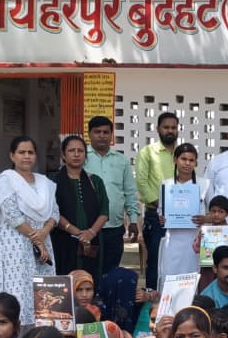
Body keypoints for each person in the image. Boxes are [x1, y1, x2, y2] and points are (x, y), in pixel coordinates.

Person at [0, 135, 58, 327]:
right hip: (16, 246)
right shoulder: (6, 181)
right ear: (12, 155)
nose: (26, 156)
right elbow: (13, 216)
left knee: (41, 291)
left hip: (42, 243)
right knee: (18, 288)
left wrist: (44, 233)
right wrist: (39, 241)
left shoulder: (44, 182)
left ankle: (39, 333)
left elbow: (54, 213)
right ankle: (16, 332)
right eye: (21, 152)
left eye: (30, 152)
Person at [83, 116, 140, 274]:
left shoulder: (121, 160)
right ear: (89, 134)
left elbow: (129, 192)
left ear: (111, 135)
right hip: (88, 228)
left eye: (106, 132)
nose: (102, 136)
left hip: (114, 227)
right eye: (97, 132)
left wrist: (133, 220)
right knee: (89, 272)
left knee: (111, 271)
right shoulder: (82, 158)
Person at [51, 133, 110, 276]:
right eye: (71, 150)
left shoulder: (95, 181)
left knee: (90, 279)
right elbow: (52, 211)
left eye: (80, 151)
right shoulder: (52, 182)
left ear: (85, 155)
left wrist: (90, 233)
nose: (76, 154)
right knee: (65, 279)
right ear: (63, 155)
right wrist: (75, 232)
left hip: (91, 241)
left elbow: (104, 211)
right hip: (63, 241)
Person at [136, 111, 180, 287]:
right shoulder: (147, 152)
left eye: (173, 127)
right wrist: (162, 206)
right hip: (156, 217)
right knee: (155, 262)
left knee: (177, 261)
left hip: (180, 218)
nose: (170, 131)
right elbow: (142, 183)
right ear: (158, 129)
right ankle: (152, 300)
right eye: (166, 127)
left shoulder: (182, 153)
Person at [158, 142, 207, 283]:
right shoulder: (166, 184)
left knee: (191, 280)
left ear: (196, 163)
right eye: (183, 159)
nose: (187, 163)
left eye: (191, 160)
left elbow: (215, 213)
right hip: (172, 240)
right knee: (170, 278)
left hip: (195, 241)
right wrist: (162, 218)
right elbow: (161, 210)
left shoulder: (204, 184)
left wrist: (205, 219)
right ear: (175, 160)